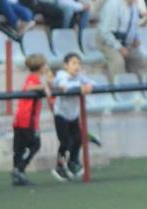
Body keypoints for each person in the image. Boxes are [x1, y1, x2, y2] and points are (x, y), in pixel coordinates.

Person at [51, 53, 94, 182]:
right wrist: (81, 87)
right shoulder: (61, 75)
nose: (77, 66)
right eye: (74, 63)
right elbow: (63, 86)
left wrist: (88, 86)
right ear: (66, 65)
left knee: (79, 139)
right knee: (65, 142)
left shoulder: (79, 77)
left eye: (78, 63)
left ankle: (73, 161)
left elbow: (92, 83)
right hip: (61, 115)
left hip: (73, 115)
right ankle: (60, 166)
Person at [12, 53, 53, 186]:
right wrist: (43, 87)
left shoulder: (36, 78)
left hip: (22, 118)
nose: (47, 67)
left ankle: (18, 174)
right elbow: (28, 87)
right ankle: (19, 169)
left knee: (20, 148)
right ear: (40, 67)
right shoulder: (33, 79)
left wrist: (47, 83)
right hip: (27, 119)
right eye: (45, 65)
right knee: (35, 144)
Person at [95, 0, 145, 83]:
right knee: (118, 62)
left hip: (126, 42)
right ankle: (119, 89)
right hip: (108, 42)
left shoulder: (134, 5)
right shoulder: (113, 5)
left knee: (139, 60)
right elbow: (105, 32)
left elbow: (134, 26)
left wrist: (136, 38)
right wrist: (119, 47)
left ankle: (141, 89)